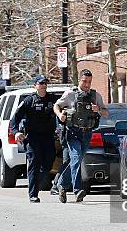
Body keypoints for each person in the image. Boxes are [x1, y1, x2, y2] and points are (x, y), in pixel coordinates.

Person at [53, 69, 108, 203]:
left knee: (76, 161)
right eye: (84, 81)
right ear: (79, 80)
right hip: (72, 132)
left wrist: (99, 110)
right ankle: (77, 190)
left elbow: (106, 112)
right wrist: (60, 115)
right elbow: (57, 105)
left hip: (87, 133)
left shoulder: (96, 96)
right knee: (76, 158)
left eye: (89, 82)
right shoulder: (70, 94)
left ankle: (61, 184)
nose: (87, 84)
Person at [10, 75, 58, 203]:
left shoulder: (53, 100)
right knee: (34, 164)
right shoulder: (28, 101)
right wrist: (16, 132)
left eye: (45, 83)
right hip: (32, 138)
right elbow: (15, 119)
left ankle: (38, 179)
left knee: (49, 161)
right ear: (35, 85)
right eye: (41, 83)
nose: (43, 85)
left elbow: (62, 111)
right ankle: (33, 194)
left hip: (48, 136)